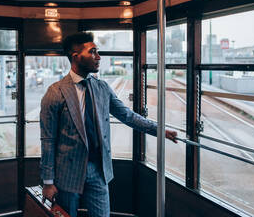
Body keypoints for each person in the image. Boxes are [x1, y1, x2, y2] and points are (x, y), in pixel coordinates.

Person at [40, 32, 178, 217]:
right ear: (76, 57)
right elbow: (48, 139)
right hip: (67, 173)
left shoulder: (102, 87)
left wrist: (159, 130)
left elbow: (127, 116)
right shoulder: (55, 92)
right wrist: (48, 182)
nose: (98, 57)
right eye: (93, 52)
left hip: (98, 170)